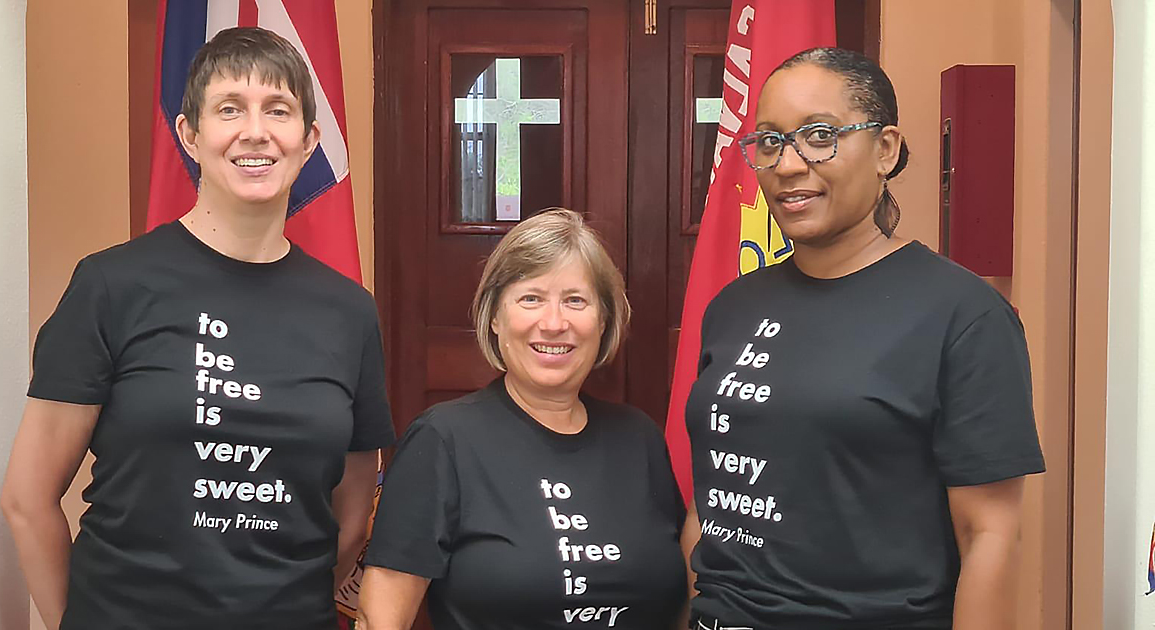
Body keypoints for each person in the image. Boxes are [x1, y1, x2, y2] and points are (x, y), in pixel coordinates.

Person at [0, 27, 394, 630]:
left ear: (310, 141)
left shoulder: (349, 313)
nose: (255, 132)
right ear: (190, 133)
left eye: (279, 110)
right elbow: (27, 501)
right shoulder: (111, 286)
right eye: (229, 108)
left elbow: (351, 514)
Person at [682, 47, 1046, 630]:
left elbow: (989, 538)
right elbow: (714, 491)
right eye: (770, 142)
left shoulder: (964, 316)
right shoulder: (733, 307)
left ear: (886, 150)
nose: (789, 164)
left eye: (819, 136)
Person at [357, 209, 686, 629]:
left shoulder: (640, 440)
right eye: (531, 298)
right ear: (494, 316)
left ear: (603, 321)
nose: (553, 323)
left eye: (575, 300)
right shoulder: (443, 440)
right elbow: (380, 618)